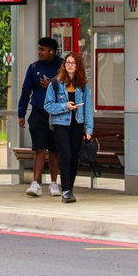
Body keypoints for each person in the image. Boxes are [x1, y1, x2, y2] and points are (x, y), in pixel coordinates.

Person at [44, 52, 94, 203]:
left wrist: (89, 129)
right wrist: (65, 106)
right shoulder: (56, 83)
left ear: (78, 66)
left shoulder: (83, 86)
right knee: (65, 155)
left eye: (73, 63)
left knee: (73, 157)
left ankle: (69, 189)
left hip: (77, 124)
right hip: (61, 124)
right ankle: (65, 190)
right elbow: (48, 105)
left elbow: (88, 109)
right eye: (68, 62)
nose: (70, 65)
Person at [17, 37, 62, 197]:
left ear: (51, 51)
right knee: (39, 147)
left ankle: (54, 183)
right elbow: (25, 90)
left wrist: (52, 85)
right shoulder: (34, 68)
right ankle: (35, 183)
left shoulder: (62, 66)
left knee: (55, 149)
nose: (39, 52)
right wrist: (21, 113)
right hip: (38, 112)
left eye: (42, 49)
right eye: (38, 49)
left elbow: (70, 87)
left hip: (57, 113)